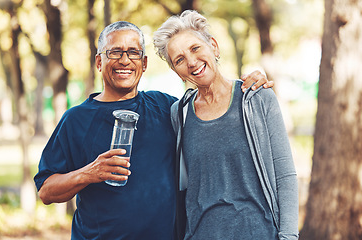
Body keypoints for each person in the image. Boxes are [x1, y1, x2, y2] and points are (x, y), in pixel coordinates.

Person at [34, 21, 271, 240]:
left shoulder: (167, 108)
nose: (124, 60)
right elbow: (46, 191)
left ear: (144, 63)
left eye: (133, 53)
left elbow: (213, 108)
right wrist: (89, 173)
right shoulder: (75, 119)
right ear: (99, 62)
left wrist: (246, 87)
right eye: (115, 52)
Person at [153, 10, 299, 240]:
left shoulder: (257, 98)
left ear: (214, 46)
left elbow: (285, 175)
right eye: (179, 60)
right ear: (176, 71)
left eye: (195, 48)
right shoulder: (178, 114)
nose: (191, 62)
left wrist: (289, 236)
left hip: (259, 233)